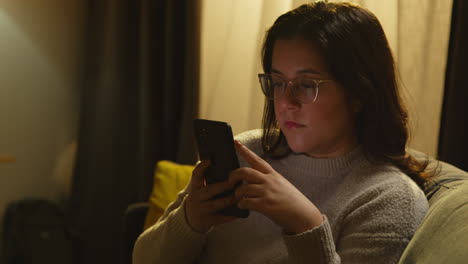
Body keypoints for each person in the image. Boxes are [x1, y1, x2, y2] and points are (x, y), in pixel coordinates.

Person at [133, 2, 430, 263]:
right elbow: (142, 258)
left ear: (359, 93)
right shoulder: (245, 152)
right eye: (277, 82)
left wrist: (307, 226)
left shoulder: (390, 198)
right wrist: (190, 222)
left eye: (307, 84)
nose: (286, 102)